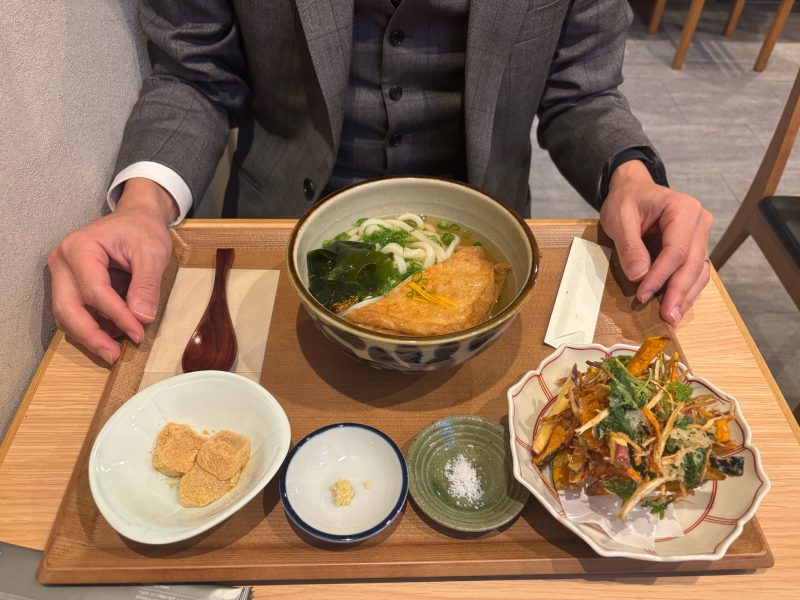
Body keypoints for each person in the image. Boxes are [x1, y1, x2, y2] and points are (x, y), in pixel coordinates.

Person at [48, 0, 712, 365]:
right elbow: (195, 75)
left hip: (486, 247)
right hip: (277, 241)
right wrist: (142, 206)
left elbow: (582, 91)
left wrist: (630, 178)